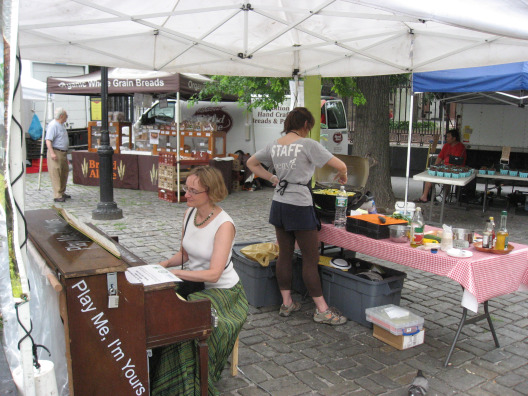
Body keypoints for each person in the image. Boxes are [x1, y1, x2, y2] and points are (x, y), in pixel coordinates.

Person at [151, 166, 248, 395]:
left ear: (211, 193)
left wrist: (176, 274)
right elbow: (185, 254)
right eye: (186, 188)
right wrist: (163, 265)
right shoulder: (190, 213)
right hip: (196, 283)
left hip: (224, 292)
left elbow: (214, 274)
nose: (186, 194)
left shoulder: (224, 225)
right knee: (159, 307)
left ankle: (187, 385)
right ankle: (156, 372)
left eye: (193, 191)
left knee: (186, 324)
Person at [246, 107, 348, 326]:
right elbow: (341, 165)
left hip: (279, 203)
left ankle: (287, 303)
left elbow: (251, 163)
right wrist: (343, 175)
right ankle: (322, 310)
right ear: (305, 125)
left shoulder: (275, 144)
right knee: (310, 260)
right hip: (300, 205)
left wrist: (272, 177)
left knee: (284, 254)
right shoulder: (307, 144)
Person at [417, 129, 466, 203]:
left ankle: (443, 198)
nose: (446, 138)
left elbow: (455, 160)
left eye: (448, 136)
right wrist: (435, 166)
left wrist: (444, 162)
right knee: (430, 178)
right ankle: (424, 196)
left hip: (455, 170)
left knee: (447, 181)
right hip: (444, 168)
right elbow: (440, 157)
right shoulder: (446, 145)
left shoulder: (460, 147)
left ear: (454, 138)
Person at [45, 107, 71, 202]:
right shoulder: (53, 125)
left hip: (63, 152)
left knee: (64, 172)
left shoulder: (61, 125)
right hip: (56, 151)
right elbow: (48, 140)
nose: (67, 117)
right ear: (61, 116)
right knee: (56, 173)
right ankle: (57, 195)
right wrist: (52, 153)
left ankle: (62, 191)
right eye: (66, 116)